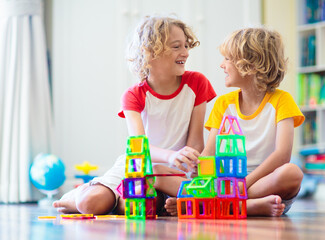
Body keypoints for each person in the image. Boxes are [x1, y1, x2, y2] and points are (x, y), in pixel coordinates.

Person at [52, 15, 216, 214]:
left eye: (186, 46)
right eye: (176, 46)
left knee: (144, 207)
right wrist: (169, 157)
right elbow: (138, 145)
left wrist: (189, 164)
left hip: (174, 172)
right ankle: (78, 195)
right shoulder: (134, 95)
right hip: (137, 164)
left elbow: (196, 142)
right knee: (90, 204)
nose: (185, 53)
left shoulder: (198, 83)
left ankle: (130, 194)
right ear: (150, 53)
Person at [163, 27, 305, 217]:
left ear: (251, 65)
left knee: (292, 173)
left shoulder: (282, 101)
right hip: (227, 185)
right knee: (158, 174)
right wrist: (197, 171)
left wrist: (243, 184)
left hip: (263, 185)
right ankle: (244, 206)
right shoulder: (223, 103)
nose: (222, 65)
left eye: (227, 59)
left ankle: (215, 205)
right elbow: (209, 153)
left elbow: (282, 155)